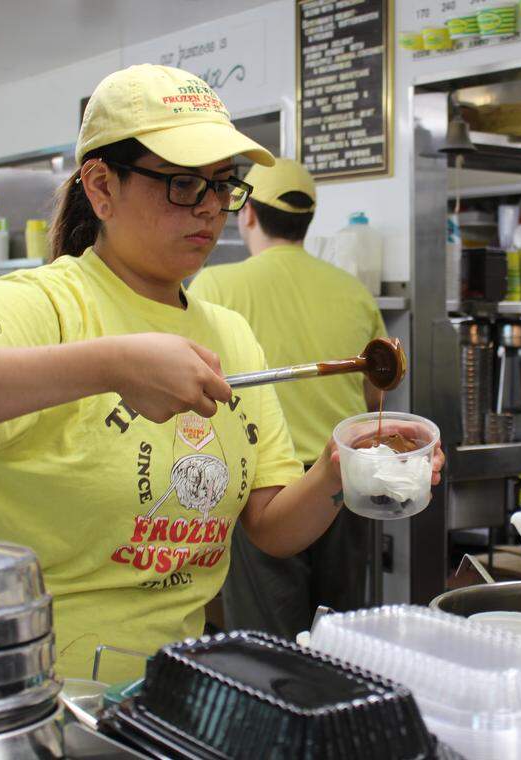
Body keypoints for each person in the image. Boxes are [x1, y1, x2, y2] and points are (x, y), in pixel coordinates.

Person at [0, 65, 442, 681]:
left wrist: (340, 462)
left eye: (223, 186)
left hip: (158, 694)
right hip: (18, 688)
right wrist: (110, 363)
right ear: (102, 187)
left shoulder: (231, 334)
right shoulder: (48, 304)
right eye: (184, 185)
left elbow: (270, 525)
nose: (211, 209)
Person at [188, 158, 387, 639]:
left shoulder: (216, 285)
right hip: (345, 486)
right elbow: (376, 388)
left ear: (248, 214)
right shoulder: (353, 291)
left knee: (268, 649)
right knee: (341, 643)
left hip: (264, 497)